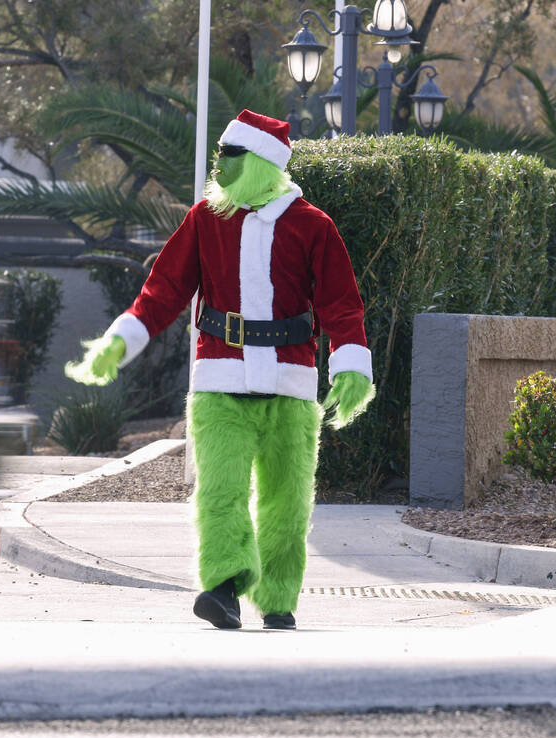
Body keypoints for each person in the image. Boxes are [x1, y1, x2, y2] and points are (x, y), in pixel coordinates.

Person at [66, 109, 375, 630]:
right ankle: (223, 586)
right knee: (220, 492)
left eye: (230, 156)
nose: (220, 165)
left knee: (286, 504)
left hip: (290, 386)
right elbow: (163, 289)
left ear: (260, 162)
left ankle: (278, 599)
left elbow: (341, 304)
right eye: (220, 156)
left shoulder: (312, 226)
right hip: (219, 383)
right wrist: (122, 338)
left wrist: (350, 365)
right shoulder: (205, 220)